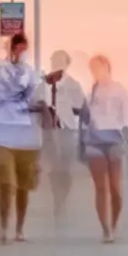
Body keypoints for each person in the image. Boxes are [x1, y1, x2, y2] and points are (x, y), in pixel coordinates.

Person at [0, 31, 43, 243]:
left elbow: (40, 102)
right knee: (6, 183)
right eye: (16, 48)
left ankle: (19, 229)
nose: (20, 52)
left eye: (23, 49)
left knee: (23, 187)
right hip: (3, 134)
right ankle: (3, 226)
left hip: (26, 136)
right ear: (10, 50)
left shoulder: (33, 75)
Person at [81, 55, 128, 240]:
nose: (96, 72)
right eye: (92, 69)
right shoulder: (91, 93)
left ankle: (114, 222)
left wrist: (127, 136)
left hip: (114, 139)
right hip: (95, 140)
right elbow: (86, 119)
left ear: (107, 68)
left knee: (115, 188)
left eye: (98, 67)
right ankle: (105, 229)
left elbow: (126, 115)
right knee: (100, 188)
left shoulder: (118, 90)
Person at [42, 49, 87, 225]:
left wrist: (65, 108)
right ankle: (56, 199)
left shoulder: (73, 85)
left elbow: (81, 108)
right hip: (49, 132)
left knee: (66, 170)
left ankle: (63, 198)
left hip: (67, 131)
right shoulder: (44, 84)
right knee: (54, 169)